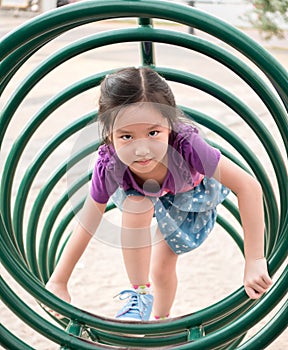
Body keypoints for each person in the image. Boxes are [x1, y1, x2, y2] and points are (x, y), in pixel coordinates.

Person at [45, 67, 273, 321]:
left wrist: (254, 259)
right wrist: (59, 280)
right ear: (109, 134)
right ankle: (139, 296)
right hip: (140, 193)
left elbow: (248, 186)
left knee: (162, 268)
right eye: (127, 136)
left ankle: (160, 320)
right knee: (135, 205)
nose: (142, 149)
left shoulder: (188, 145)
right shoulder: (109, 163)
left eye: (153, 133)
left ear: (169, 124)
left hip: (188, 197)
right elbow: (88, 220)